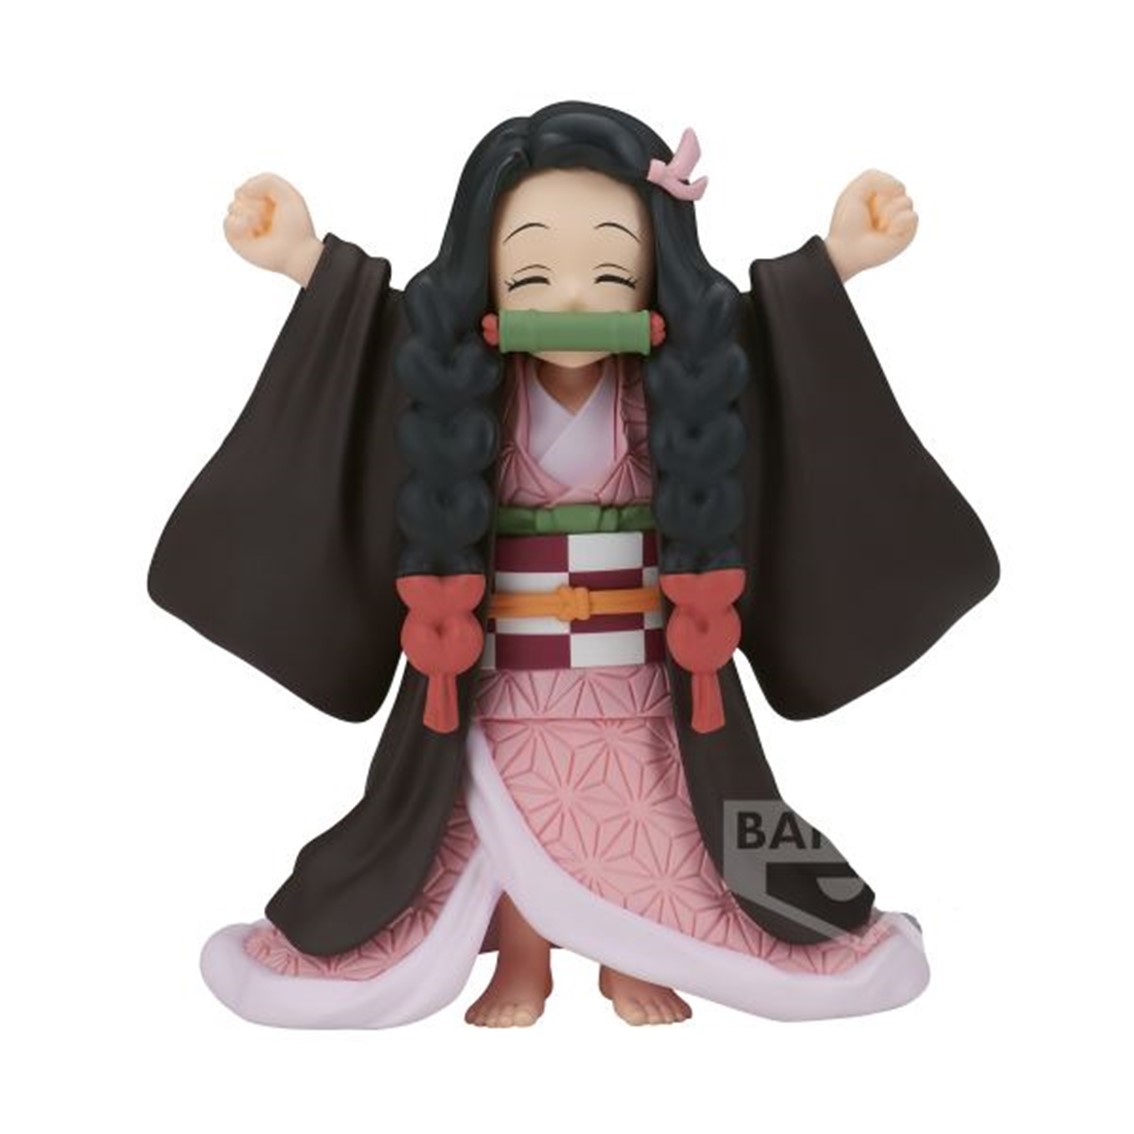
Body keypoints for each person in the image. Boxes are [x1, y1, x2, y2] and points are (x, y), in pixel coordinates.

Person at [149, 101, 998, 1029]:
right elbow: (381, 344)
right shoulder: (459, 391)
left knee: (662, 822)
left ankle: (631, 959)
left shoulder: (677, 391)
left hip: (645, 678)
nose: (574, 302)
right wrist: (308, 263)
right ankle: (524, 961)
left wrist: (834, 265)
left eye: (609, 273)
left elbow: (765, 347)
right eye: (533, 274)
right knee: (495, 816)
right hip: (498, 674)